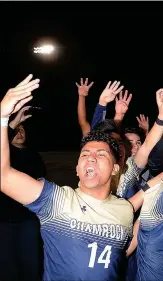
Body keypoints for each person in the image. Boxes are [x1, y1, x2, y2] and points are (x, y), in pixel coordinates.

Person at [1, 75, 135, 281]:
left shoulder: (125, 210)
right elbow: (4, 176)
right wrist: (2, 118)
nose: (90, 158)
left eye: (100, 155)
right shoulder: (57, 201)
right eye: (84, 155)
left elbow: (120, 254)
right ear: (77, 170)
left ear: (116, 168)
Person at [0, 105, 46, 281]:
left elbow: (38, 179)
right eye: (16, 130)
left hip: (28, 219)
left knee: (31, 266)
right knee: (7, 268)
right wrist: (12, 125)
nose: (20, 132)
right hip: (3, 221)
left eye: (22, 129)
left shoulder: (33, 156)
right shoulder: (4, 155)